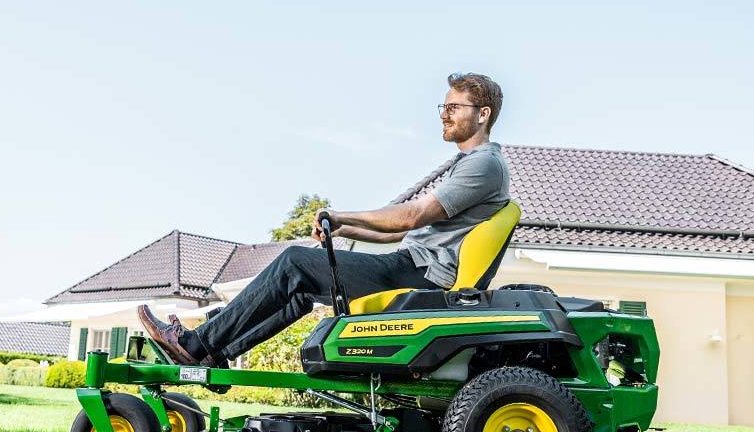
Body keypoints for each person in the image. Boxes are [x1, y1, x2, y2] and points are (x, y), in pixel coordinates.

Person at [138, 72, 511, 367]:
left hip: (421, 278)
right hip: (411, 266)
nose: (444, 114)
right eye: (442, 107)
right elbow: (399, 234)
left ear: (483, 114)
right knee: (298, 290)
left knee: (294, 262)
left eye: (454, 107)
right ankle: (210, 352)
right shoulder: (470, 165)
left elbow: (408, 218)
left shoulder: (483, 166)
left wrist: (339, 213)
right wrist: (345, 229)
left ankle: (194, 343)